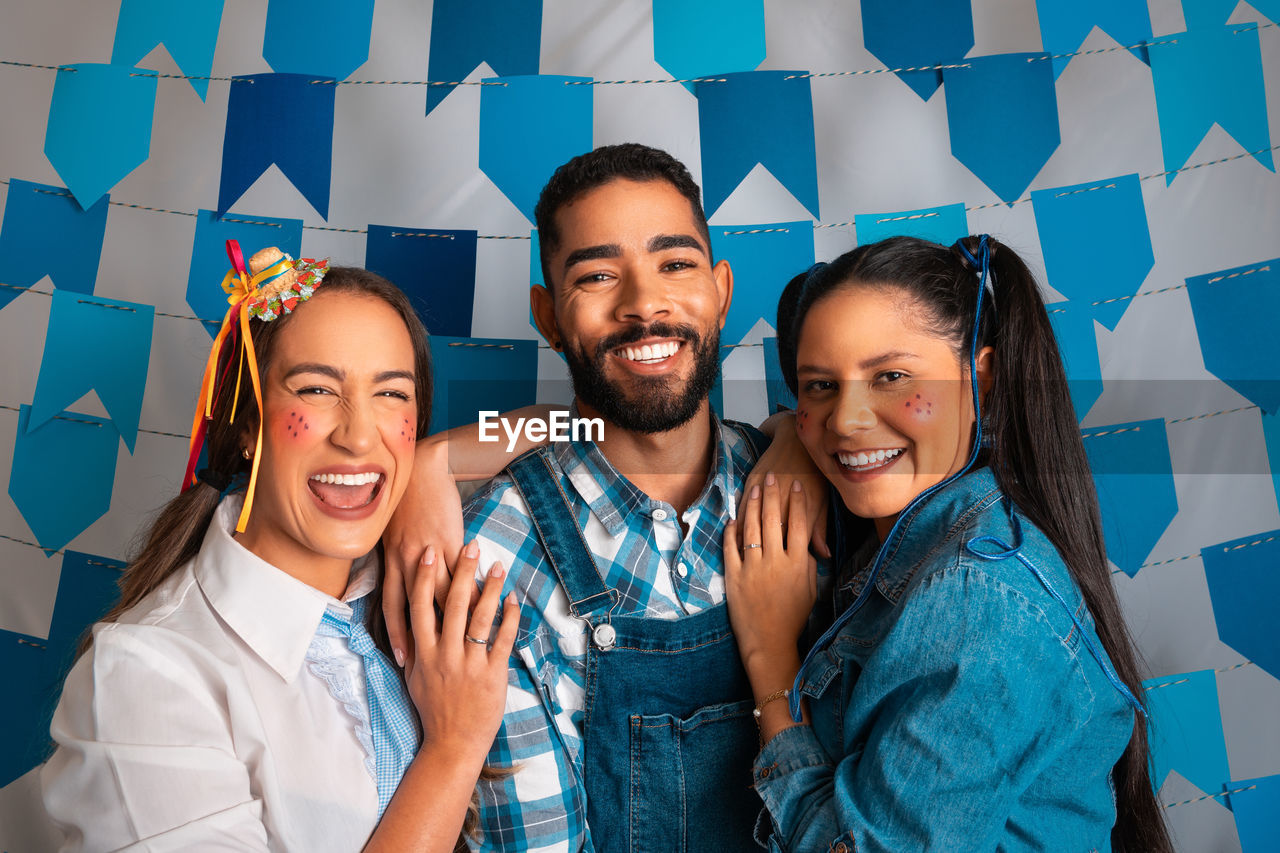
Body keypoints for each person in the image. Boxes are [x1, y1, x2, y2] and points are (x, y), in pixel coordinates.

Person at [381, 143, 822, 852]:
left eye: (675, 264)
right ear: (549, 317)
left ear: (721, 291)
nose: (645, 303)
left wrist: (796, 437)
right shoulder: (495, 558)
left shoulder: (812, 488)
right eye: (597, 274)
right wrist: (431, 457)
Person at [41, 245, 518, 851]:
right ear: (246, 424)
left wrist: (432, 461)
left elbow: (582, 425)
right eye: (317, 390)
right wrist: (454, 747)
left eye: (392, 395)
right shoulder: (143, 677)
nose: (359, 436)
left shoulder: (406, 586)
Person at [725, 235, 1173, 851]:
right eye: (820, 386)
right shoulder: (924, 533)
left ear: (980, 379)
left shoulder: (975, 598)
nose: (848, 420)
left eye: (891, 376)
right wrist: (789, 443)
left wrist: (770, 659)